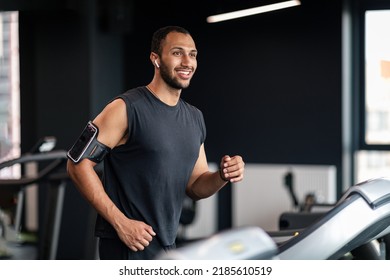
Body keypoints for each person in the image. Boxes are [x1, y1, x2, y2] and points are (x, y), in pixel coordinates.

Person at [66, 25, 245, 260]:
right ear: (156, 59)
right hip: (127, 245)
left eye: (192, 54)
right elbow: (77, 164)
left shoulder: (194, 117)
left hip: (167, 243)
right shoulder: (125, 108)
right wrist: (121, 223)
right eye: (177, 52)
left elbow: (196, 186)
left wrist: (222, 176)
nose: (187, 62)